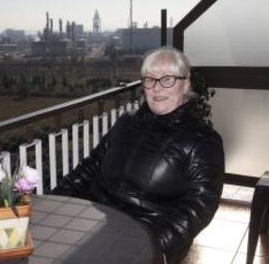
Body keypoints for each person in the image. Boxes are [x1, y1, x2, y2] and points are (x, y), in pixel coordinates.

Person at [52, 47, 225, 263]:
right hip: (96, 221)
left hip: (146, 233)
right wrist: (55, 199)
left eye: (168, 79)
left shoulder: (202, 140)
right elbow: (92, 166)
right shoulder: (126, 123)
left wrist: (155, 244)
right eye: (150, 79)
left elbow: (200, 205)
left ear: (186, 84)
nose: (157, 87)